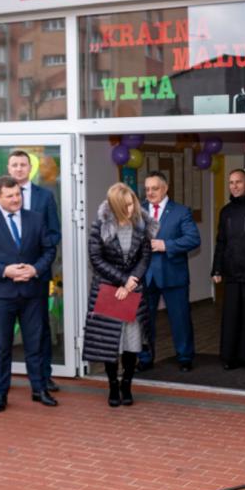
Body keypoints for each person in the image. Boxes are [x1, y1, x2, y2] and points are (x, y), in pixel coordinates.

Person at [0, 175, 59, 412]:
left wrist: (35, 269)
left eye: (18, 194)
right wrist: (4, 271)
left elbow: (49, 250)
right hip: (1, 294)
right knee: (2, 347)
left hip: (33, 292)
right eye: (9, 196)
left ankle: (39, 389)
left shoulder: (35, 218)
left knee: (35, 344)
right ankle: (0, 393)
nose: (15, 199)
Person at [0, 149, 62, 393]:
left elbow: (54, 233)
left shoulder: (45, 196)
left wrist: (36, 265)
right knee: (4, 340)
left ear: (30, 168)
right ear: (8, 169)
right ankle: (3, 389)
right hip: (6, 279)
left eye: (23, 164)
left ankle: (43, 378)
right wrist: (7, 268)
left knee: (40, 331)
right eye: (14, 165)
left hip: (36, 275)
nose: (19, 168)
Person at [83, 183, 152, 407]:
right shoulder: (100, 225)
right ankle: (113, 385)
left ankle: (127, 384)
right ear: (114, 206)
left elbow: (145, 257)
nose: (130, 210)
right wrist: (122, 280)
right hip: (108, 290)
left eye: (131, 204)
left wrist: (132, 281)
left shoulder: (141, 224)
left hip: (132, 291)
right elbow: (96, 259)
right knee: (109, 342)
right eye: (124, 206)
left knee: (132, 342)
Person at [138, 171, 201, 372]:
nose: (150, 193)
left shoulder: (181, 212)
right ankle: (145, 358)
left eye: (154, 188)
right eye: (147, 189)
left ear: (165, 188)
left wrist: (166, 245)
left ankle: (185, 357)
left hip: (173, 274)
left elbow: (193, 239)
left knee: (180, 319)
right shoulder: (138, 210)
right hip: (145, 276)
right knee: (144, 321)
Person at [211, 169, 245, 370]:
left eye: (238, 182)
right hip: (231, 272)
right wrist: (216, 269)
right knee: (231, 317)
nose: (234, 186)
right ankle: (229, 357)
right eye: (231, 182)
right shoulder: (226, 211)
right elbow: (221, 242)